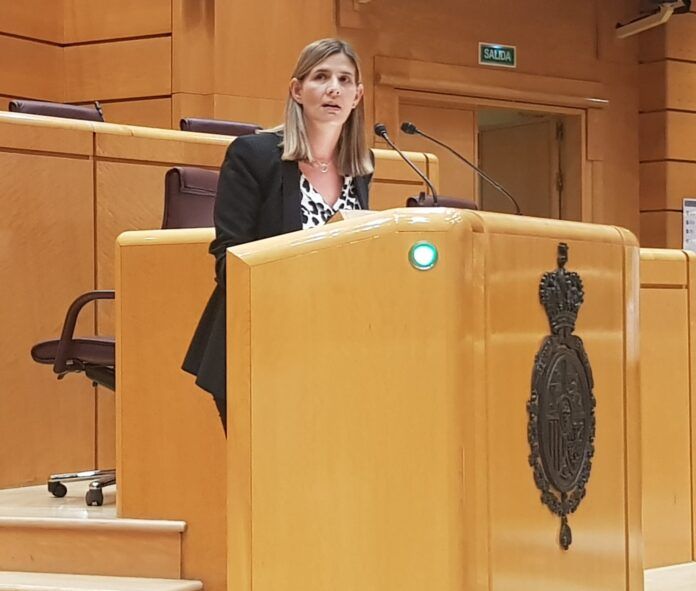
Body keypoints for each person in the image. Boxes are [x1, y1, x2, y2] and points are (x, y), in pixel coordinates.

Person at [182, 38, 374, 430]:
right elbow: (230, 255)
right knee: (265, 482)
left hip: (333, 345)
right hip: (261, 343)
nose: (334, 88)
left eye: (344, 79)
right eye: (321, 76)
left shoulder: (360, 168)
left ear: (357, 96)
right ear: (297, 90)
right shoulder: (254, 156)